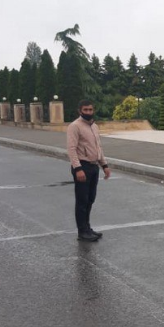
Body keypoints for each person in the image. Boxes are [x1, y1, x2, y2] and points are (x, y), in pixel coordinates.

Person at [66, 99, 111, 242]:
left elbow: (99, 148)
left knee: (90, 199)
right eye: (85, 110)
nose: (88, 112)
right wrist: (77, 168)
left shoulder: (94, 127)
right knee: (82, 200)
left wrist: (104, 165)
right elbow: (71, 149)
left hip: (93, 166)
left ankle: (87, 227)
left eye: (90, 110)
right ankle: (82, 231)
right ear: (80, 111)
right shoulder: (75, 126)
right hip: (82, 167)